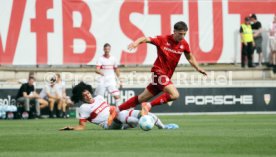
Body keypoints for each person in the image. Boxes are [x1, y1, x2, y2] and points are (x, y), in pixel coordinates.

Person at [117, 21, 207, 116]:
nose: (182, 36)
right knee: (174, 95)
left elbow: (189, 57)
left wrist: (197, 68)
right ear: (174, 31)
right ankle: (148, 106)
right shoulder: (163, 39)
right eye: (180, 34)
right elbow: (145, 39)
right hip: (158, 72)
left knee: (141, 98)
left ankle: (116, 110)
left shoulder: (184, 44)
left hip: (165, 76)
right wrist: (136, 43)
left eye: (184, 34)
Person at [59, 82, 178, 131]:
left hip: (116, 116)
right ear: (81, 98)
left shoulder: (99, 98)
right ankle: (135, 118)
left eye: (88, 93)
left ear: (90, 91)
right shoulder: (84, 108)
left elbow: (111, 110)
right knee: (127, 117)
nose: (88, 96)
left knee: (136, 115)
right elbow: (82, 126)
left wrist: (113, 112)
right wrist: (71, 128)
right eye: (84, 96)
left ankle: (163, 127)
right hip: (108, 124)